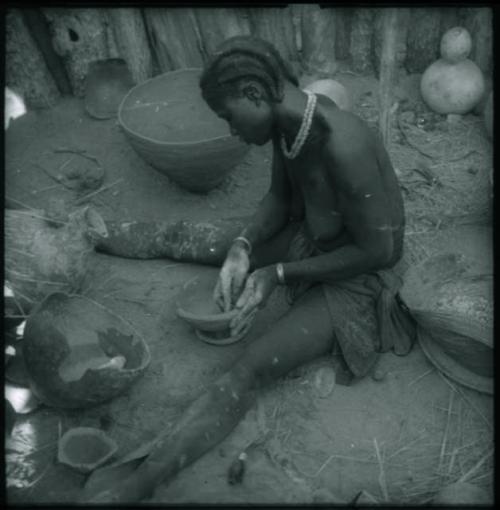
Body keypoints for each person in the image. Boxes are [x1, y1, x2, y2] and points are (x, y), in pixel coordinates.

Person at [86, 35, 415, 503]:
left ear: (256, 96)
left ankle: (143, 480)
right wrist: (244, 247)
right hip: (309, 239)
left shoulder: (346, 144)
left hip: (354, 281)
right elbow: (281, 198)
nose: (231, 131)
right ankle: (91, 232)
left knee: (248, 370)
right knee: (199, 239)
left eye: (228, 116)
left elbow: (380, 252)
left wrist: (277, 274)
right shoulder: (291, 126)